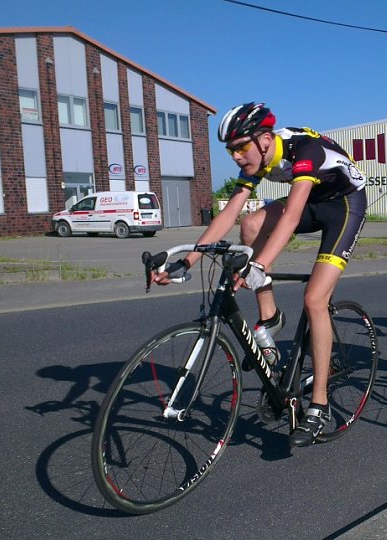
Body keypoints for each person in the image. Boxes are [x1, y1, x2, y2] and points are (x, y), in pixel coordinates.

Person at [153, 102, 368, 447]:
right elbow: (229, 215)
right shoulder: (256, 161)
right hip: (313, 198)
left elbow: (292, 216)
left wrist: (260, 264)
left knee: (314, 299)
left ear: (265, 139)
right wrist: (188, 260)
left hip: (344, 205)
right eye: (230, 150)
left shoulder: (304, 151)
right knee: (250, 224)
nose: (236, 156)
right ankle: (270, 317)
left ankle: (320, 404)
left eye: (241, 147)